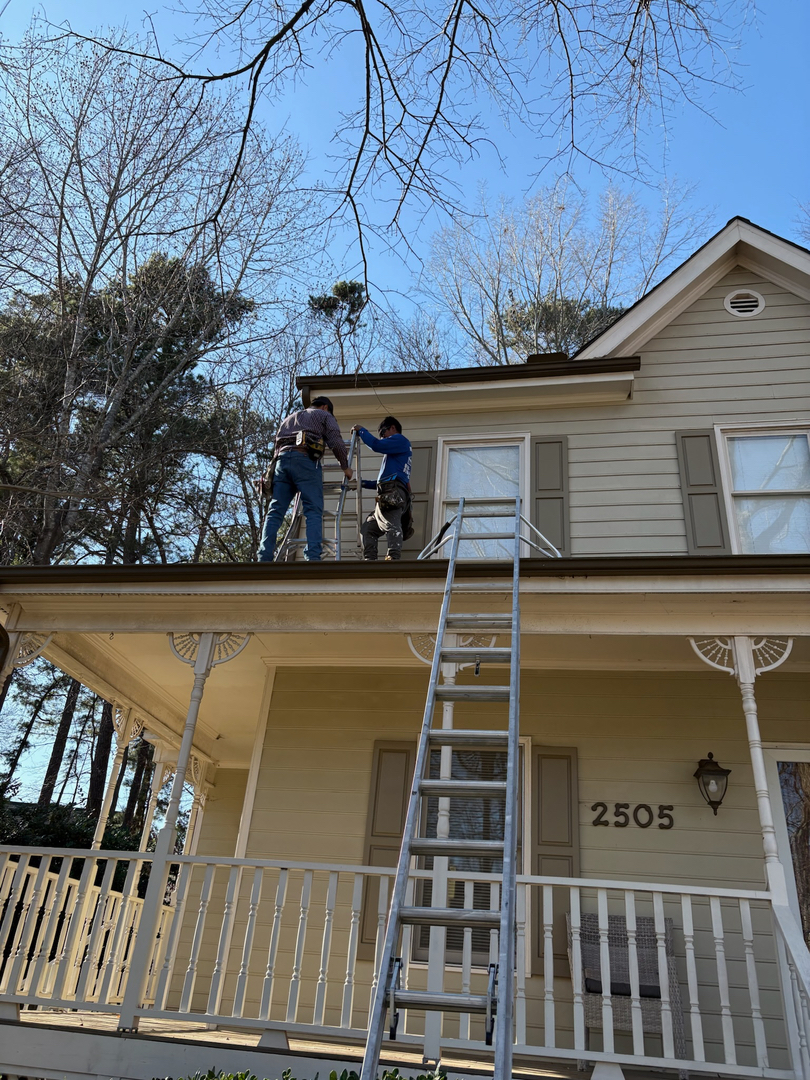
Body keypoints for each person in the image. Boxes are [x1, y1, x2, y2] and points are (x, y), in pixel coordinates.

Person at [258, 397, 353, 562]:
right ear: (325, 407)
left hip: (281, 462)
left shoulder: (289, 418)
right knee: (313, 510)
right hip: (305, 460)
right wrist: (345, 466)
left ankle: (264, 556)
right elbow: (336, 441)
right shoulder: (324, 415)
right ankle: (313, 556)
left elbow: (277, 446)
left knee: (275, 511)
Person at [352, 416, 412, 561]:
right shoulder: (395, 455)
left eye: (383, 432)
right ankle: (370, 560)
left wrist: (361, 430)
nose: (382, 437)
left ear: (392, 428)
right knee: (368, 528)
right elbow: (383, 482)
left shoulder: (400, 439)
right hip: (389, 493)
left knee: (391, 524)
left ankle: (393, 558)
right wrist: (363, 483)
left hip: (392, 493)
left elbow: (376, 445)